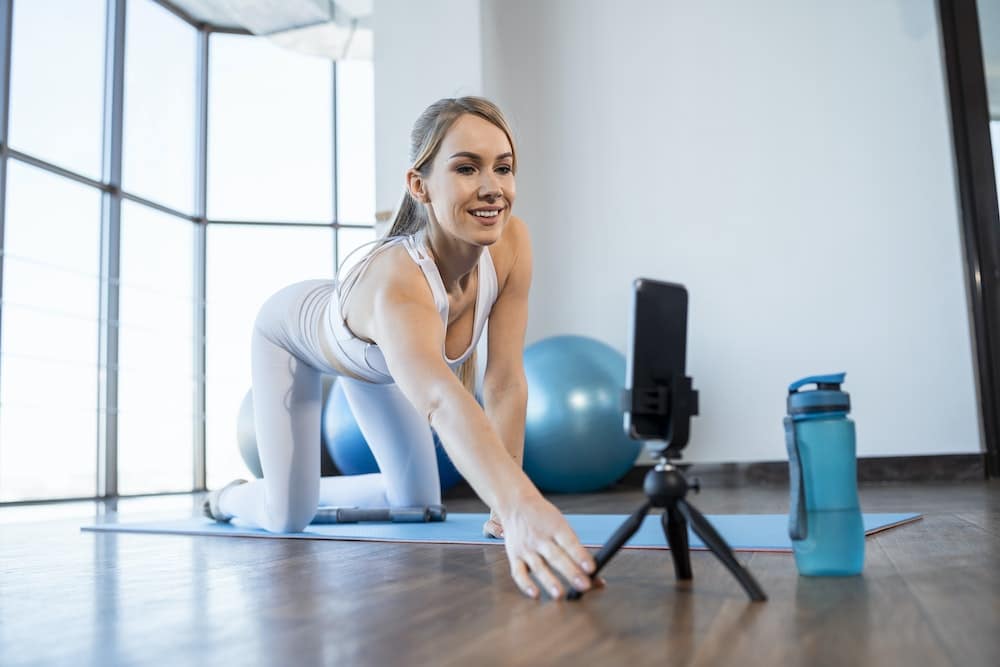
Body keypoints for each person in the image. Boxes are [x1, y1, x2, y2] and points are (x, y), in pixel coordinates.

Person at [203, 97, 598, 600]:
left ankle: (299, 486)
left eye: (503, 168)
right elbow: (436, 398)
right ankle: (233, 497)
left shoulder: (512, 243)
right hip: (292, 336)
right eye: (466, 168)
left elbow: (502, 380)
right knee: (287, 516)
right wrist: (522, 505)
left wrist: (505, 504)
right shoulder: (400, 283)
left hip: (380, 362)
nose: (492, 187)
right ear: (420, 185)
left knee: (417, 502)